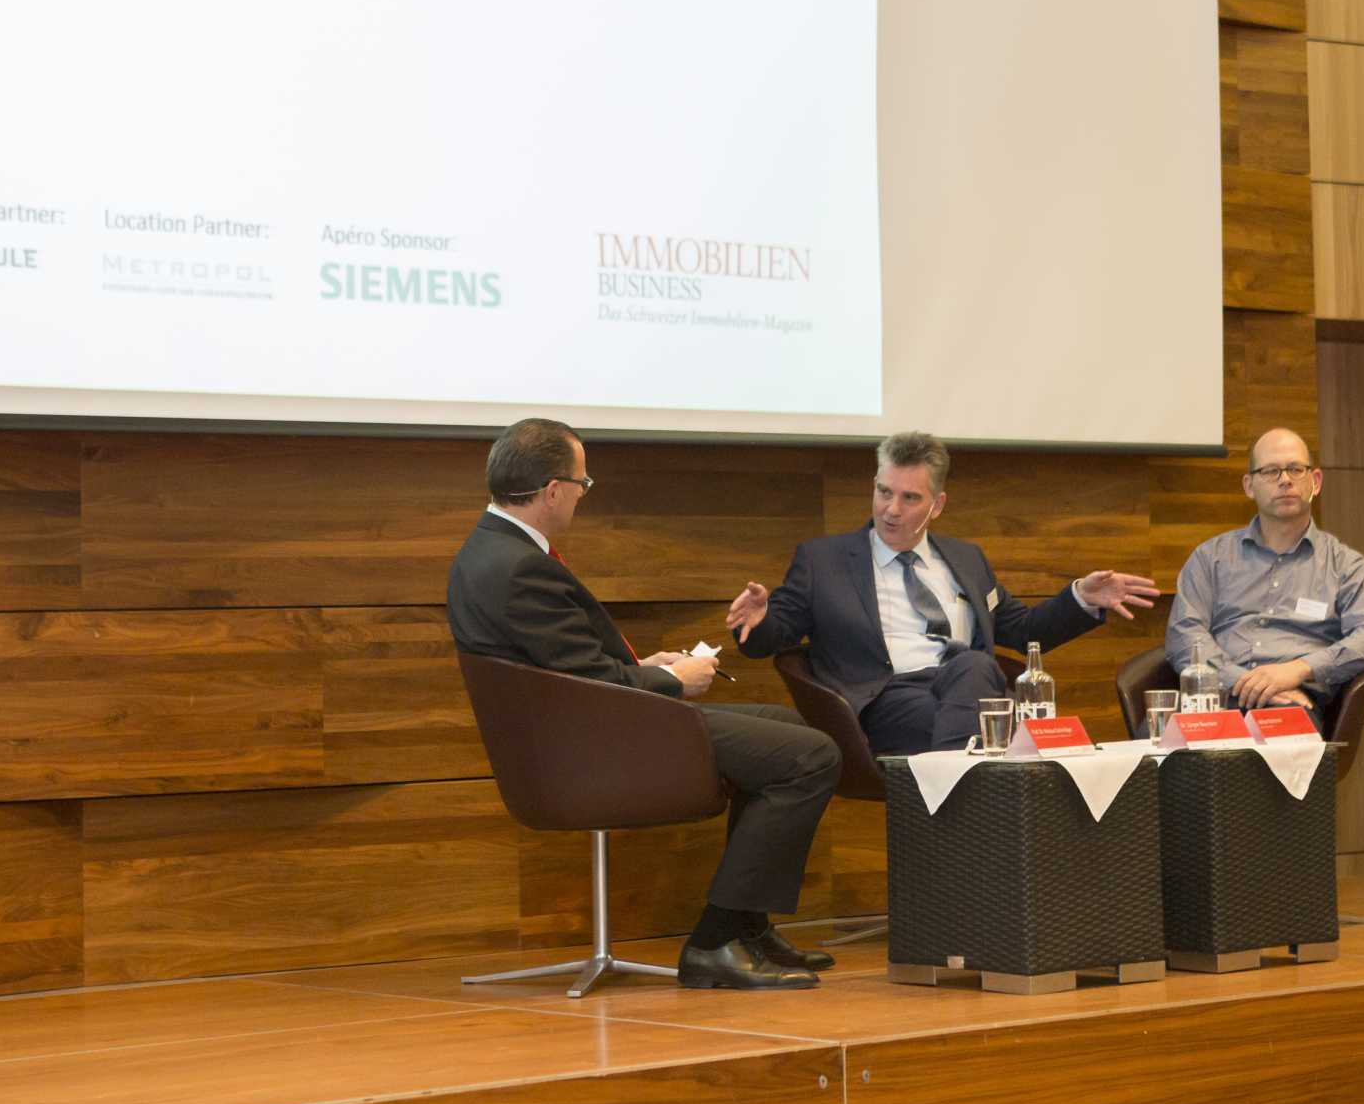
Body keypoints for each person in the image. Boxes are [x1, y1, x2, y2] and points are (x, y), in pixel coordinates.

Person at [446, 417, 842, 991]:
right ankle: (715, 941)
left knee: (784, 727)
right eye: (583, 484)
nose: (583, 495)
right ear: (552, 490)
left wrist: (647, 667)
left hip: (586, 725)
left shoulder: (493, 551)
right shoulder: (517, 566)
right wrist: (675, 680)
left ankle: (747, 928)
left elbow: (569, 671)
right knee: (809, 756)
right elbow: (588, 682)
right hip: (592, 747)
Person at [726, 430, 1158, 755]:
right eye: (883, 492)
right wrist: (759, 621)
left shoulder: (966, 559)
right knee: (1002, 719)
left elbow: (1024, 630)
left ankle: (955, 793)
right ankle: (971, 794)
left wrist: (1080, 597)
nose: (891, 510)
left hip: (965, 688)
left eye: (910, 498)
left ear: (938, 505)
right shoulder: (824, 561)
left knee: (973, 669)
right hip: (885, 700)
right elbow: (774, 634)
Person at [1166, 427, 1364, 726]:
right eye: (1271, 471)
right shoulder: (1211, 558)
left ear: (1315, 481)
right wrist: (1244, 682)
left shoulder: (1346, 566)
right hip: (1218, 699)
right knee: (1158, 738)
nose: (1285, 480)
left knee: (1278, 737)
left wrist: (1298, 669)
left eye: (1295, 469)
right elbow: (1184, 635)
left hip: (1293, 703)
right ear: (1249, 486)